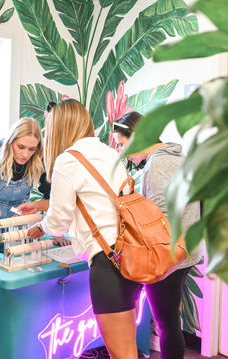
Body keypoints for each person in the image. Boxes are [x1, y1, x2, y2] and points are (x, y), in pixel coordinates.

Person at [25, 99, 142, 359]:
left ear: (59, 127)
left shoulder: (68, 161)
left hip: (107, 262)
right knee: (128, 350)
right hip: (130, 255)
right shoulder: (110, 153)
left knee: (121, 354)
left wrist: (39, 228)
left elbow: (58, 221)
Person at [112, 111, 203, 359]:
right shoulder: (180, 157)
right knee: (171, 321)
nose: (123, 152)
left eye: (122, 144)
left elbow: (158, 222)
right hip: (188, 251)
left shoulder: (156, 166)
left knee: (167, 325)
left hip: (168, 256)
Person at [0, 117, 69, 248]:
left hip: (20, 225)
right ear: (10, 142)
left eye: (31, 149)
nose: (25, 154)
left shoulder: (39, 162)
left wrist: (55, 231)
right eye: (21, 147)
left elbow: (53, 199)